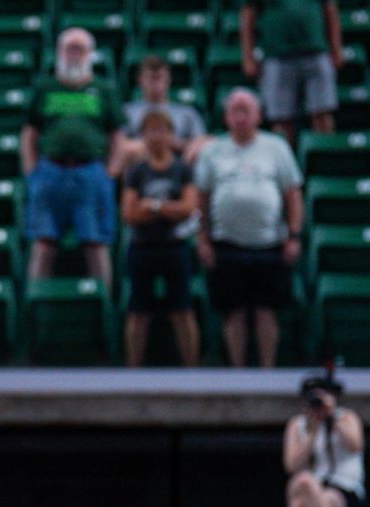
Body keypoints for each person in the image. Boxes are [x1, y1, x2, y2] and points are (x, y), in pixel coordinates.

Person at [195, 90, 303, 369]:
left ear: (259, 115)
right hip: (227, 242)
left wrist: (294, 234)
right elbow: (202, 196)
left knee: (267, 311)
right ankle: (238, 371)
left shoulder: (276, 147)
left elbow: (292, 193)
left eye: (246, 110)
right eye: (235, 111)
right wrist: (203, 237)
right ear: (226, 117)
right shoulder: (212, 150)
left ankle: (267, 369)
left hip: (269, 243)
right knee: (234, 312)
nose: (241, 117)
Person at [22, 27, 124, 290]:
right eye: (69, 49)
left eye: (80, 49)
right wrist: (32, 172)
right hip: (50, 171)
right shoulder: (46, 87)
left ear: (91, 54)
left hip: (90, 172)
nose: (74, 55)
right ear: (59, 53)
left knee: (96, 244)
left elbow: (117, 136)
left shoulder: (103, 89)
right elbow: (30, 133)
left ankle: (102, 305)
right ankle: (37, 305)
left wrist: (109, 173)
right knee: (43, 244)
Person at [121, 109, 201, 368]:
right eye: (150, 130)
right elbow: (130, 213)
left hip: (175, 246)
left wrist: (153, 206)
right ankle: (133, 369)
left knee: (183, 311)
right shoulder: (136, 171)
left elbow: (188, 208)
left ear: (171, 135)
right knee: (138, 313)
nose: (156, 136)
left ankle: (192, 370)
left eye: (161, 130)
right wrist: (168, 208)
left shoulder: (182, 170)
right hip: (142, 246)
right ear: (143, 135)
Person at [283, 373, 365, 507]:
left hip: (343, 490)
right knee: (304, 481)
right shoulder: (298, 424)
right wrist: (312, 432)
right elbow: (292, 465)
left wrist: (332, 416)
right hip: (309, 485)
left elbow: (355, 445)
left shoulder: (346, 418)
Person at [241, 0, 344, 148]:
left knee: (322, 113)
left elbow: (330, 9)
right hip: (277, 55)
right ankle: (284, 166)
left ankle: (326, 160)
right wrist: (248, 56)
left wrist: (336, 48)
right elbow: (248, 14)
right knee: (281, 119)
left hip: (315, 52)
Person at [121, 55, 209, 167]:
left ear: (168, 79)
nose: (155, 83)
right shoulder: (128, 112)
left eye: (159, 77)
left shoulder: (186, 112)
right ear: (140, 80)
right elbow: (120, 144)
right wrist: (152, 143)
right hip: (140, 165)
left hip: (178, 165)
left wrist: (175, 143)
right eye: (151, 78)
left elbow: (201, 141)